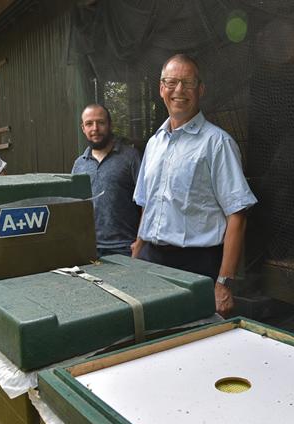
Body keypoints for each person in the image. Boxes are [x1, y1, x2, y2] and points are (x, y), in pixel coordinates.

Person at [132, 54, 257, 317]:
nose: (179, 90)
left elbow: (237, 214)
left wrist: (223, 283)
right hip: (150, 260)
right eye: (172, 82)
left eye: (187, 83)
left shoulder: (217, 143)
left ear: (200, 90)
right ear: (161, 89)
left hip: (196, 266)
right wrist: (138, 247)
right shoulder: (154, 144)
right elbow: (147, 202)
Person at [71, 104, 141, 257]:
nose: (95, 128)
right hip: (89, 248)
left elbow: (146, 202)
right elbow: (75, 207)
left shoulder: (131, 157)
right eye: (89, 123)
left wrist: (140, 242)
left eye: (100, 122)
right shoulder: (79, 164)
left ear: (110, 125)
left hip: (125, 248)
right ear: (83, 128)